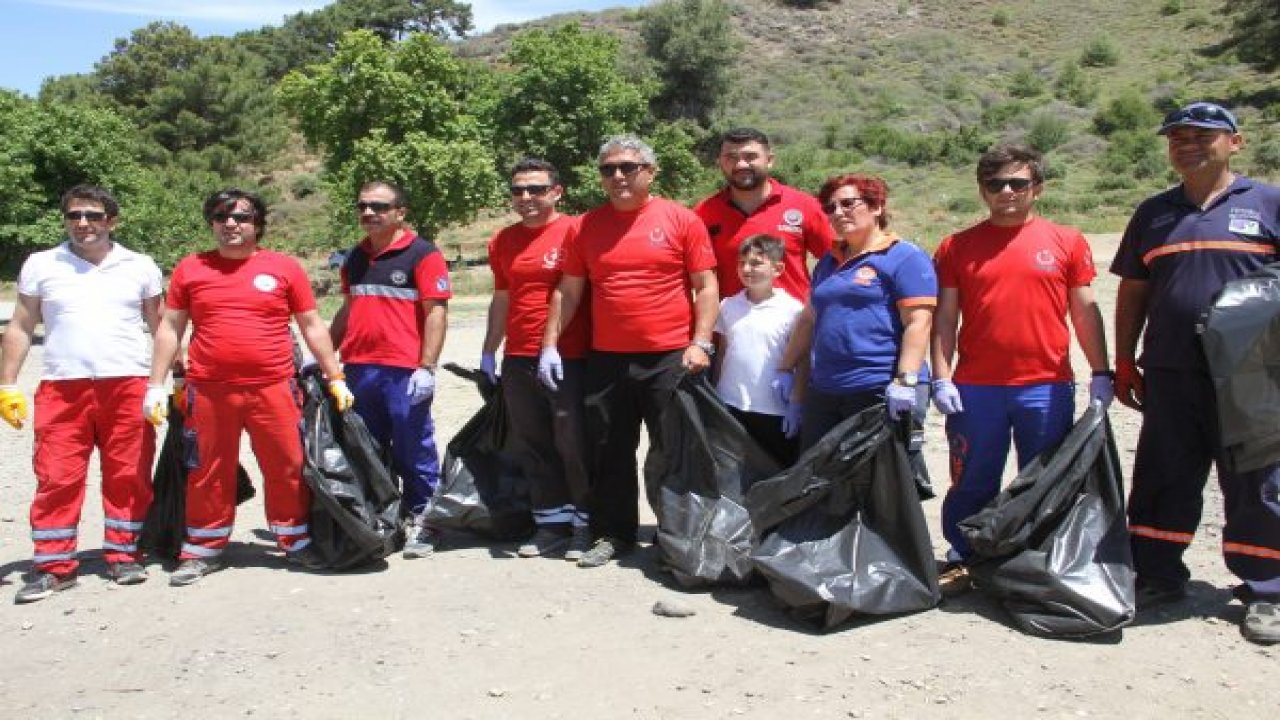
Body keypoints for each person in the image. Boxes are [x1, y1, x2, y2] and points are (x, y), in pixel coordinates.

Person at [1111, 101, 1280, 643]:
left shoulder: (1269, 203)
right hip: (1169, 367)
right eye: (1176, 137)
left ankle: (1267, 590)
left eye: (1202, 135)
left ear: (1235, 142)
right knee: (1164, 473)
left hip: (1255, 374)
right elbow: (1134, 290)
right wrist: (1123, 358)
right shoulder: (1153, 213)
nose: (1186, 144)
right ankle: (1157, 575)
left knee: (1257, 480)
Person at [145, 188, 353, 586]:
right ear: (211, 224)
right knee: (207, 469)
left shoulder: (283, 267)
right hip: (208, 390)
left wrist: (335, 376)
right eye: (221, 217)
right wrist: (156, 385)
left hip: (273, 387)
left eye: (240, 217)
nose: (230, 225)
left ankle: (293, 540)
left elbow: (311, 324)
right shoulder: (191, 268)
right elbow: (171, 327)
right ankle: (204, 548)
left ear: (257, 224)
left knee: (288, 466)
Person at [931, 145, 1112, 594]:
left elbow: (1085, 311)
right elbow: (945, 318)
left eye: (1018, 183)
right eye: (996, 184)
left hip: (1045, 384)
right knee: (972, 477)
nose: (1007, 192)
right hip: (976, 388)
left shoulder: (1066, 241)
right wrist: (940, 374)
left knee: (1043, 477)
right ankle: (964, 554)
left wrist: (1102, 371)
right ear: (982, 191)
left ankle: (1035, 557)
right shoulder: (957, 246)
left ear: (1038, 188)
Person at [540, 134, 718, 568]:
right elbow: (568, 291)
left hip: (670, 357)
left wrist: (701, 341)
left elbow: (706, 285)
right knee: (608, 449)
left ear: (650, 172)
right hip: (608, 358)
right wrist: (549, 345)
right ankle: (612, 534)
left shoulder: (680, 219)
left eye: (627, 167)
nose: (617, 176)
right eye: (608, 169)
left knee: (670, 451)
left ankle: (674, 535)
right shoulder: (584, 226)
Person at [1, 185, 162, 603]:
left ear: (112, 220)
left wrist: (169, 382)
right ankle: (54, 566)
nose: (83, 224)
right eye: (74, 216)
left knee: (128, 475)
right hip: (62, 387)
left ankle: (124, 555)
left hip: (126, 384)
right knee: (56, 476)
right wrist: (7, 385)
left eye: (93, 215)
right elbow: (20, 326)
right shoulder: (41, 264)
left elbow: (162, 326)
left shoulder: (139, 265)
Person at [329, 181, 451, 559]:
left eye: (379, 207)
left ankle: (424, 519)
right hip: (359, 369)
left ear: (401, 212)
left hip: (404, 371)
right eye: (363, 206)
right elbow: (348, 310)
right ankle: (386, 516)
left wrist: (427, 367)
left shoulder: (423, 254)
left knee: (414, 446)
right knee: (368, 448)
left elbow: (436, 313)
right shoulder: (354, 258)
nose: (369, 213)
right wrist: (325, 356)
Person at [775, 174, 936, 456]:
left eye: (848, 204)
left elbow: (918, 323)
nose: (837, 213)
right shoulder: (828, 261)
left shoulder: (904, 257)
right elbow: (809, 319)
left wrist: (905, 381)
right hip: (825, 388)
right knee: (821, 481)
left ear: (876, 207)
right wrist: (785, 369)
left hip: (878, 387)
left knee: (884, 487)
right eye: (830, 207)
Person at [482, 158, 592, 560]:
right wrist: (488, 351)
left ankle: (586, 523)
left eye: (536, 189)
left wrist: (554, 347)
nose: (525, 197)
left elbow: (576, 291)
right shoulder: (502, 240)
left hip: (569, 356)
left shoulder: (576, 231)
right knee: (534, 443)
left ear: (556, 192)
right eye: (518, 190)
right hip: (518, 358)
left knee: (572, 442)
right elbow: (502, 297)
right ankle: (551, 524)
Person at [694, 127, 833, 299]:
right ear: (720, 162)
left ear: (769, 160)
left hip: (795, 323)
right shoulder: (704, 212)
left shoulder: (804, 205)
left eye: (750, 157)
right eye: (731, 157)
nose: (741, 164)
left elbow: (837, 260)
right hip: (730, 323)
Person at [713, 234, 804, 465]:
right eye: (742, 263)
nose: (747, 269)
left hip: (773, 409)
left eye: (756, 263)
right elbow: (723, 353)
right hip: (731, 403)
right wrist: (715, 393)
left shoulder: (793, 310)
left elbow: (802, 359)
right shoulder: (728, 306)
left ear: (778, 268)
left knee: (776, 470)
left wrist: (797, 400)